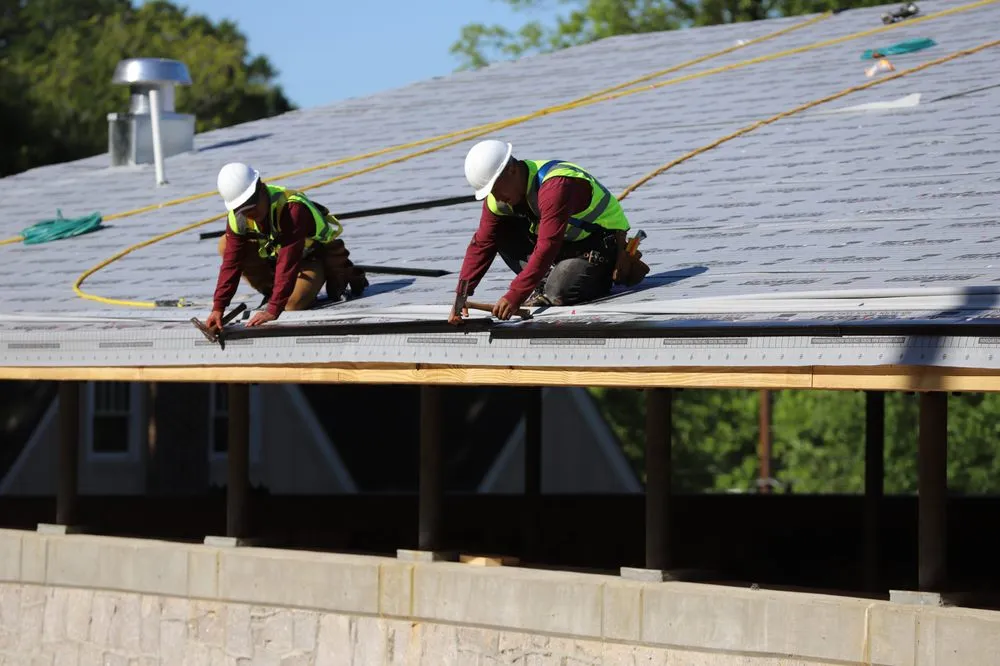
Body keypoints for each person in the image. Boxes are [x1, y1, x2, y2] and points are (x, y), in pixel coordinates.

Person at [448, 140, 648, 324]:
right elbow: (482, 244)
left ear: (511, 170)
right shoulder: (499, 197)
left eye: (495, 188)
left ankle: (583, 280)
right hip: (564, 245)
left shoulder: (556, 186)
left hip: (599, 244)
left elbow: (547, 245)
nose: (496, 197)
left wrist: (515, 294)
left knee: (559, 291)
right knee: (499, 231)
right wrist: (461, 296)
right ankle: (545, 283)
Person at [205, 162, 367, 329]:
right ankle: (273, 291)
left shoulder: (292, 209)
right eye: (243, 210)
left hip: (310, 260)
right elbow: (231, 263)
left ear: (262, 187)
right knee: (225, 244)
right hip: (276, 260)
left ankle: (287, 292)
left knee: (292, 305)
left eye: (252, 205)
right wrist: (218, 307)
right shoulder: (238, 217)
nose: (250, 213)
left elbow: (288, 261)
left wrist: (273, 309)